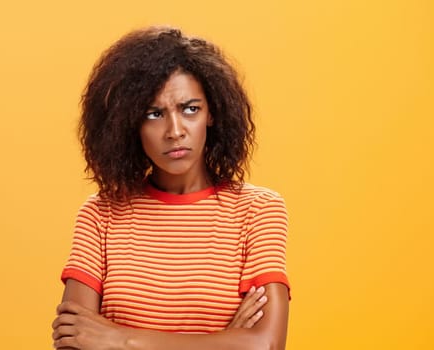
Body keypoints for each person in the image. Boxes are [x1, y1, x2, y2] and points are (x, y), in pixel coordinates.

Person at [52, 26, 290, 350]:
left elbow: (266, 344)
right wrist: (221, 342)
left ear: (212, 113)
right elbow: (73, 340)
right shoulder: (101, 213)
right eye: (154, 114)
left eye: (190, 108)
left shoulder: (257, 211)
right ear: (129, 124)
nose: (174, 131)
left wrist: (120, 338)